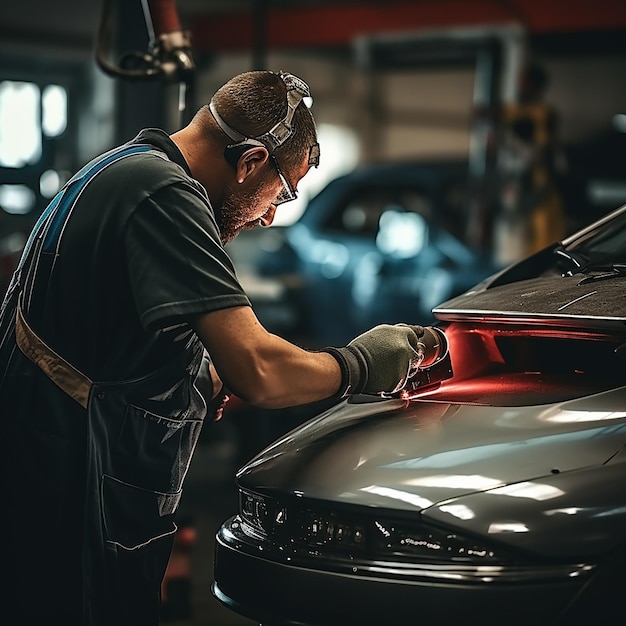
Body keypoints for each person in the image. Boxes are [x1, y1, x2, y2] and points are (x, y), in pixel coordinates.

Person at [0, 70, 445, 626]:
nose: (271, 215)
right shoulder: (165, 194)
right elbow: (260, 370)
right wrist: (359, 363)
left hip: (63, 481)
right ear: (251, 161)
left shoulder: (124, 170)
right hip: (74, 492)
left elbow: (110, 344)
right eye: (281, 192)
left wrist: (201, 380)